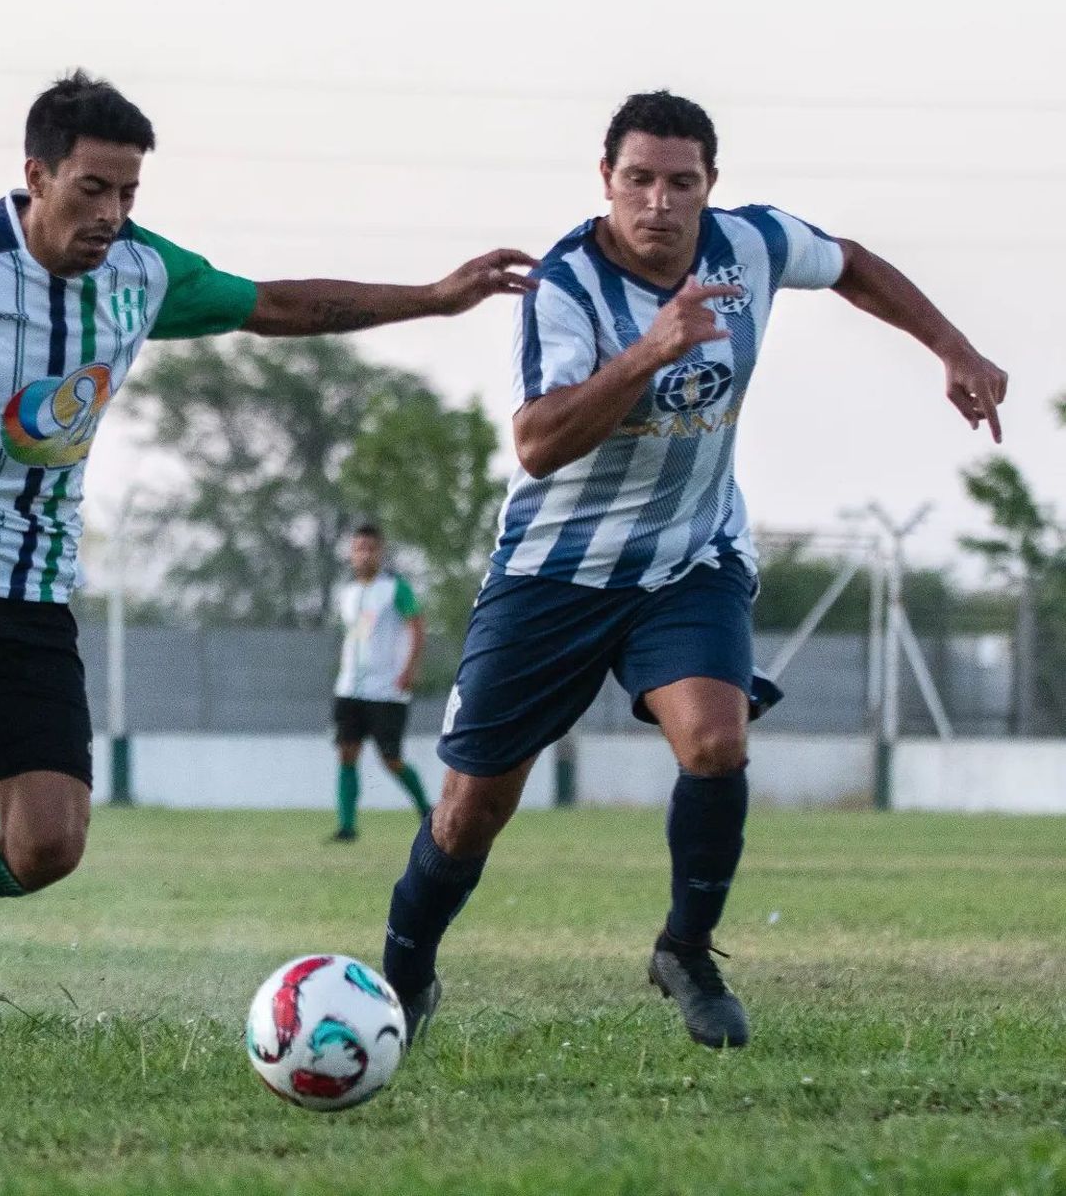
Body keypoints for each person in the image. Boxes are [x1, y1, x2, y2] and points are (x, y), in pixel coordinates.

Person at [0, 70, 536, 1093]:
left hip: (28, 588)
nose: (111, 216)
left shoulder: (143, 275)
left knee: (48, 843)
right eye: (91, 190)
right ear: (34, 175)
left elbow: (276, 305)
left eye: (127, 194)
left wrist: (431, 298)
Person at [379, 91, 1007, 1050]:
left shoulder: (751, 245)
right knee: (472, 809)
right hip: (555, 571)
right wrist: (650, 352)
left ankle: (686, 948)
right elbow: (539, 443)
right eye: (640, 180)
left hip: (690, 555)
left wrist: (953, 348)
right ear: (607, 181)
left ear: (711, 185)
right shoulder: (567, 286)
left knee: (715, 739)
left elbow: (855, 265)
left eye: (682, 182)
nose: (660, 203)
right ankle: (404, 969)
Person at [330, 523, 429, 841]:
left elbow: (416, 625)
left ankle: (427, 811)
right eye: (358, 548)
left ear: (380, 552)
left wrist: (409, 669)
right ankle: (347, 826)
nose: (364, 554)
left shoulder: (393, 588)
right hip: (349, 687)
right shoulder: (347, 593)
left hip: (386, 689)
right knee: (347, 752)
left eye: (370, 548)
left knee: (391, 758)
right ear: (351, 553)